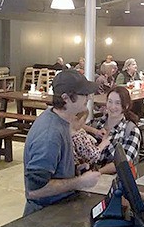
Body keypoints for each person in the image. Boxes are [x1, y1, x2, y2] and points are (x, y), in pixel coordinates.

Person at [23, 69, 101, 215]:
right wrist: (80, 182)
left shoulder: (62, 120)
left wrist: (73, 171)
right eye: (83, 94)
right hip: (43, 216)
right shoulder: (49, 135)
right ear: (65, 98)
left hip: (58, 208)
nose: (88, 97)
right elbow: (34, 190)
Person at [85, 86, 142, 174]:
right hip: (89, 179)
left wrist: (98, 172)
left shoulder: (131, 130)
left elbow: (123, 163)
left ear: (126, 106)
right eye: (110, 102)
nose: (112, 107)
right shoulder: (95, 124)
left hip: (116, 182)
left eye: (118, 103)